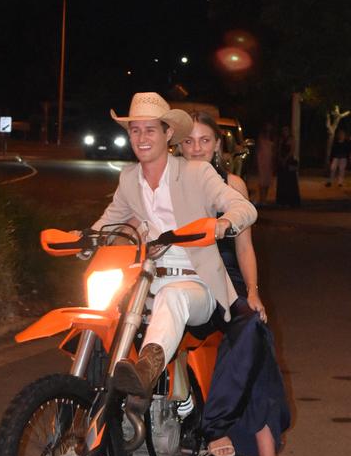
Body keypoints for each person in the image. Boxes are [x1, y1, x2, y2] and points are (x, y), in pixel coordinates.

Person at [91, 91, 256, 413]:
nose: (141, 137)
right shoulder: (128, 179)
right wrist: (84, 239)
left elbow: (242, 207)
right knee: (105, 312)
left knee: (173, 297)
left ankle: (146, 373)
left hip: (197, 284)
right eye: (135, 130)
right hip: (145, 282)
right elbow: (109, 221)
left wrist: (224, 223)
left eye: (150, 130)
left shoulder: (196, 173)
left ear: (168, 134)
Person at [179, 112, 291, 456]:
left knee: (255, 337)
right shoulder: (167, 184)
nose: (196, 148)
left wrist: (254, 293)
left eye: (205, 141)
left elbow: (243, 246)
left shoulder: (233, 185)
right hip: (178, 281)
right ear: (177, 144)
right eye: (189, 141)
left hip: (226, 283)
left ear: (218, 146)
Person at [275, 126, 300, 207]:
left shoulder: (291, 140)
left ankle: (291, 201)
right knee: (282, 181)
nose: (284, 132)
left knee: (289, 181)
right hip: (281, 162)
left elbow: (292, 151)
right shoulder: (281, 139)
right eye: (283, 130)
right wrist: (280, 158)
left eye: (286, 130)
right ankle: (282, 201)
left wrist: (285, 159)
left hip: (288, 161)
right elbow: (278, 150)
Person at [255, 121, 276, 204]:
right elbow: (258, 150)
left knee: (267, 181)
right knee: (262, 180)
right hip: (262, 161)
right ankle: (261, 198)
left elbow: (273, 151)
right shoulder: (261, 138)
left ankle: (264, 199)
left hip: (269, 161)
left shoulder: (272, 138)